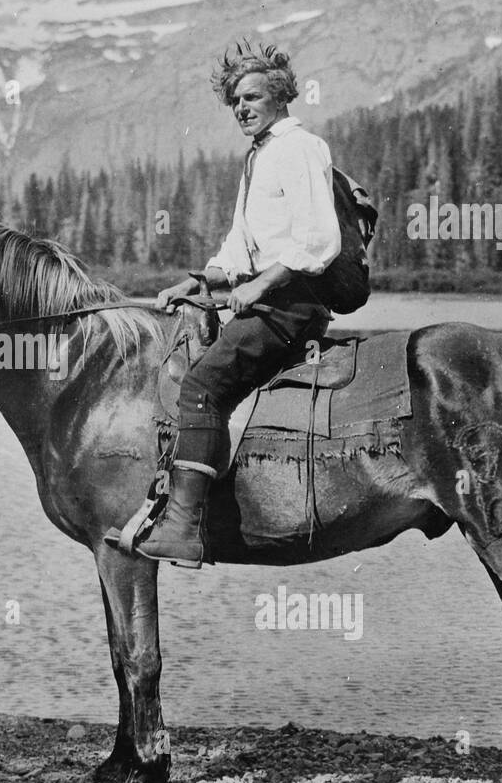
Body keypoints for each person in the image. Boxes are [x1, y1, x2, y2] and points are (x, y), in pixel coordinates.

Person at [112, 43, 342, 568]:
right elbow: (239, 250)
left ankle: (184, 530)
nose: (242, 108)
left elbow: (319, 240)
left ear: (282, 96)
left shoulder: (300, 148)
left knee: (201, 386)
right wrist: (196, 283)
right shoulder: (259, 155)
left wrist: (262, 286)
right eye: (235, 100)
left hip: (292, 307)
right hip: (269, 301)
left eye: (252, 96)